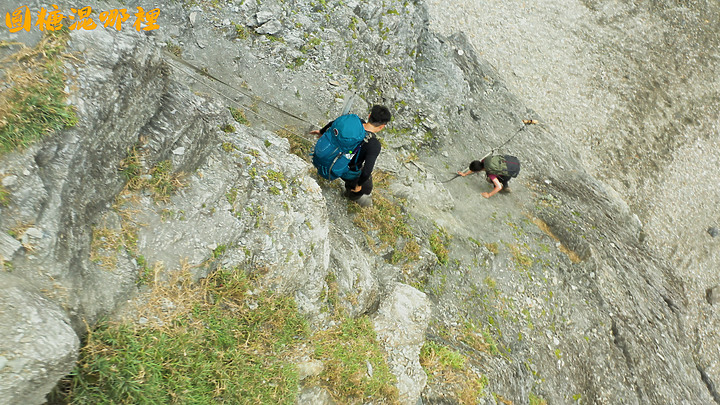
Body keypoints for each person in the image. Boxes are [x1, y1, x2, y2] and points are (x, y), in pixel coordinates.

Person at [310, 105, 391, 206]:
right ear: (382, 126)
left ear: (369, 115)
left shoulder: (353, 122)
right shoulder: (374, 144)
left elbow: (334, 123)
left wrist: (321, 131)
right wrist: (359, 185)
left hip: (326, 157)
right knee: (367, 186)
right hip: (346, 171)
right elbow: (366, 172)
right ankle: (349, 195)